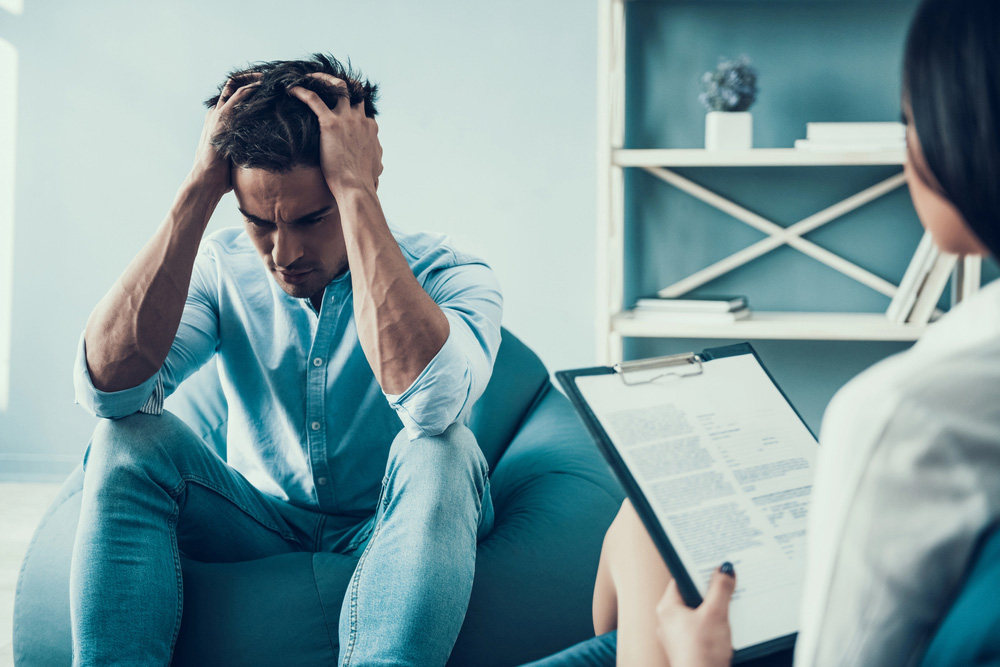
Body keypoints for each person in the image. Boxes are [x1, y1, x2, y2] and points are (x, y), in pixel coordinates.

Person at [527, 0, 1000, 664]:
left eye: (909, 119)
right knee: (642, 526)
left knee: (645, 550)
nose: (909, 147)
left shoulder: (903, 412)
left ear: (966, 131)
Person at [70, 53, 502, 667]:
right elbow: (110, 392)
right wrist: (197, 188)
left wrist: (355, 191)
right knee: (123, 443)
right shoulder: (226, 269)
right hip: (258, 521)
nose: (284, 254)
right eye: (259, 224)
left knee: (442, 448)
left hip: (400, 521)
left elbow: (433, 408)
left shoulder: (452, 271)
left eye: (313, 219)